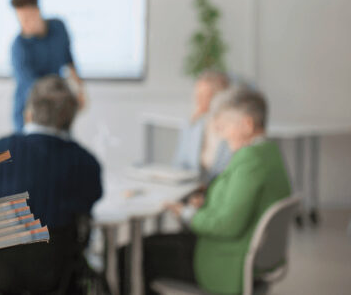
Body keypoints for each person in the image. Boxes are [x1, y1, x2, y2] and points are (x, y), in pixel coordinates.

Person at [120, 87, 291, 295]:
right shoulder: (269, 153)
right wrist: (205, 204)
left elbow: (227, 225)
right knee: (148, 245)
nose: (222, 136)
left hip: (224, 260)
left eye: (225, 127)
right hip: (236, 251)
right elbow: (237, 205)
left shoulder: (250, 161)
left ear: (247, 125)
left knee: (130, 256)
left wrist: (185, 213)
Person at [0, 75, 103, 293]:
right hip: (59, 277)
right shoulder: (86, 163)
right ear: (71, 118)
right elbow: (88, 208)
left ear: (28, 113)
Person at [10, 0, 85, 132]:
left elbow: (69, 59)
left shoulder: (59, 27)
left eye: (27, 18)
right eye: (20, 20)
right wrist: (67, 98)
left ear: (37, 11)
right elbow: (33, 86)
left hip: (58, 107)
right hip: (30, 109)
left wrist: (80, 90)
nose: (24, 24)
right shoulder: (19, 46)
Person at [172, 70, 233, 182]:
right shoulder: (192, 123)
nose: (198, 100)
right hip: (193, 186)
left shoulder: (232, 127)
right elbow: (179, 164)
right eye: (197, 94)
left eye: (205, 95)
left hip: (220, 187)